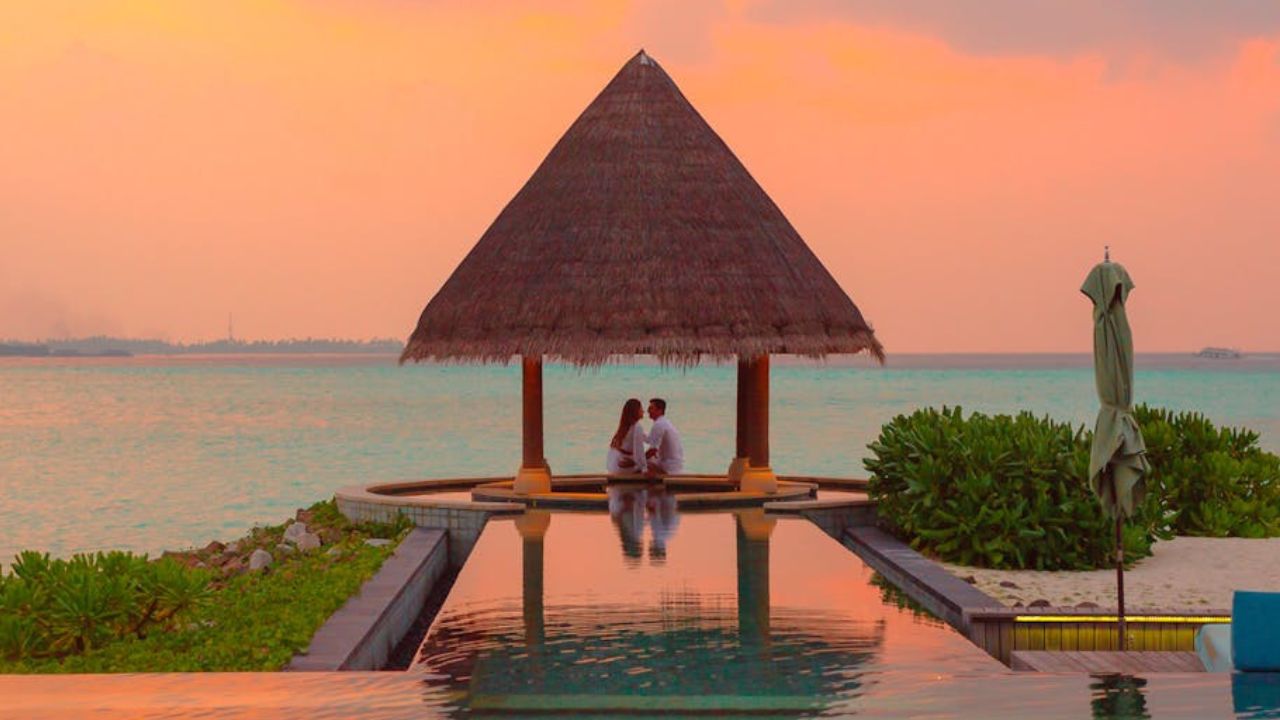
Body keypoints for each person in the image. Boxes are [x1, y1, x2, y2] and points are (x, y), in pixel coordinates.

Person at [606, 398, 647, 475]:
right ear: (636, 411)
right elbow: (639, 452)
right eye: (641, 409)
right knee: (651, 465)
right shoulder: (637, 427)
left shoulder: (624, 427)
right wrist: (644, 468)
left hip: (615, 466)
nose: (643, 411)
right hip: (623, 468)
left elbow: (647, 438)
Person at [644, 397, 684, 476]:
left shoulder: (659, 424)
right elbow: (650, 439)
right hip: (676, 464)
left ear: (660, 410)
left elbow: (653, 450)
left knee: (639, 465)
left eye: (651, 408)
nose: (648, 411)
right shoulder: (664, 422)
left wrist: (637, 461)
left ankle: (658, 477)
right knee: (646, 460)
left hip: (669, 467)